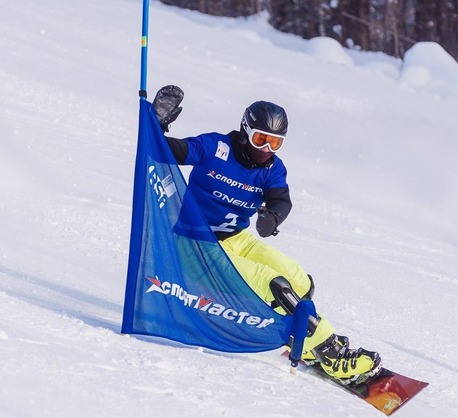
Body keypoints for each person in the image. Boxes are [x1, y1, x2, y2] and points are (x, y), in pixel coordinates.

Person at [151, 85, 380, 384]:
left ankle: (304, 343)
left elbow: (280, 200)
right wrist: (158, 124)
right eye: (261, 139)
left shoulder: (272, 168)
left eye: (276, 143)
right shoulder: (216, 148)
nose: (266, 149)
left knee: (299, 279)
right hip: (196, 246)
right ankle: (331, 354)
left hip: (235, 240)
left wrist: (273, 217)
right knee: (277, 286)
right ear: (246, 131)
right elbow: (170, 151)